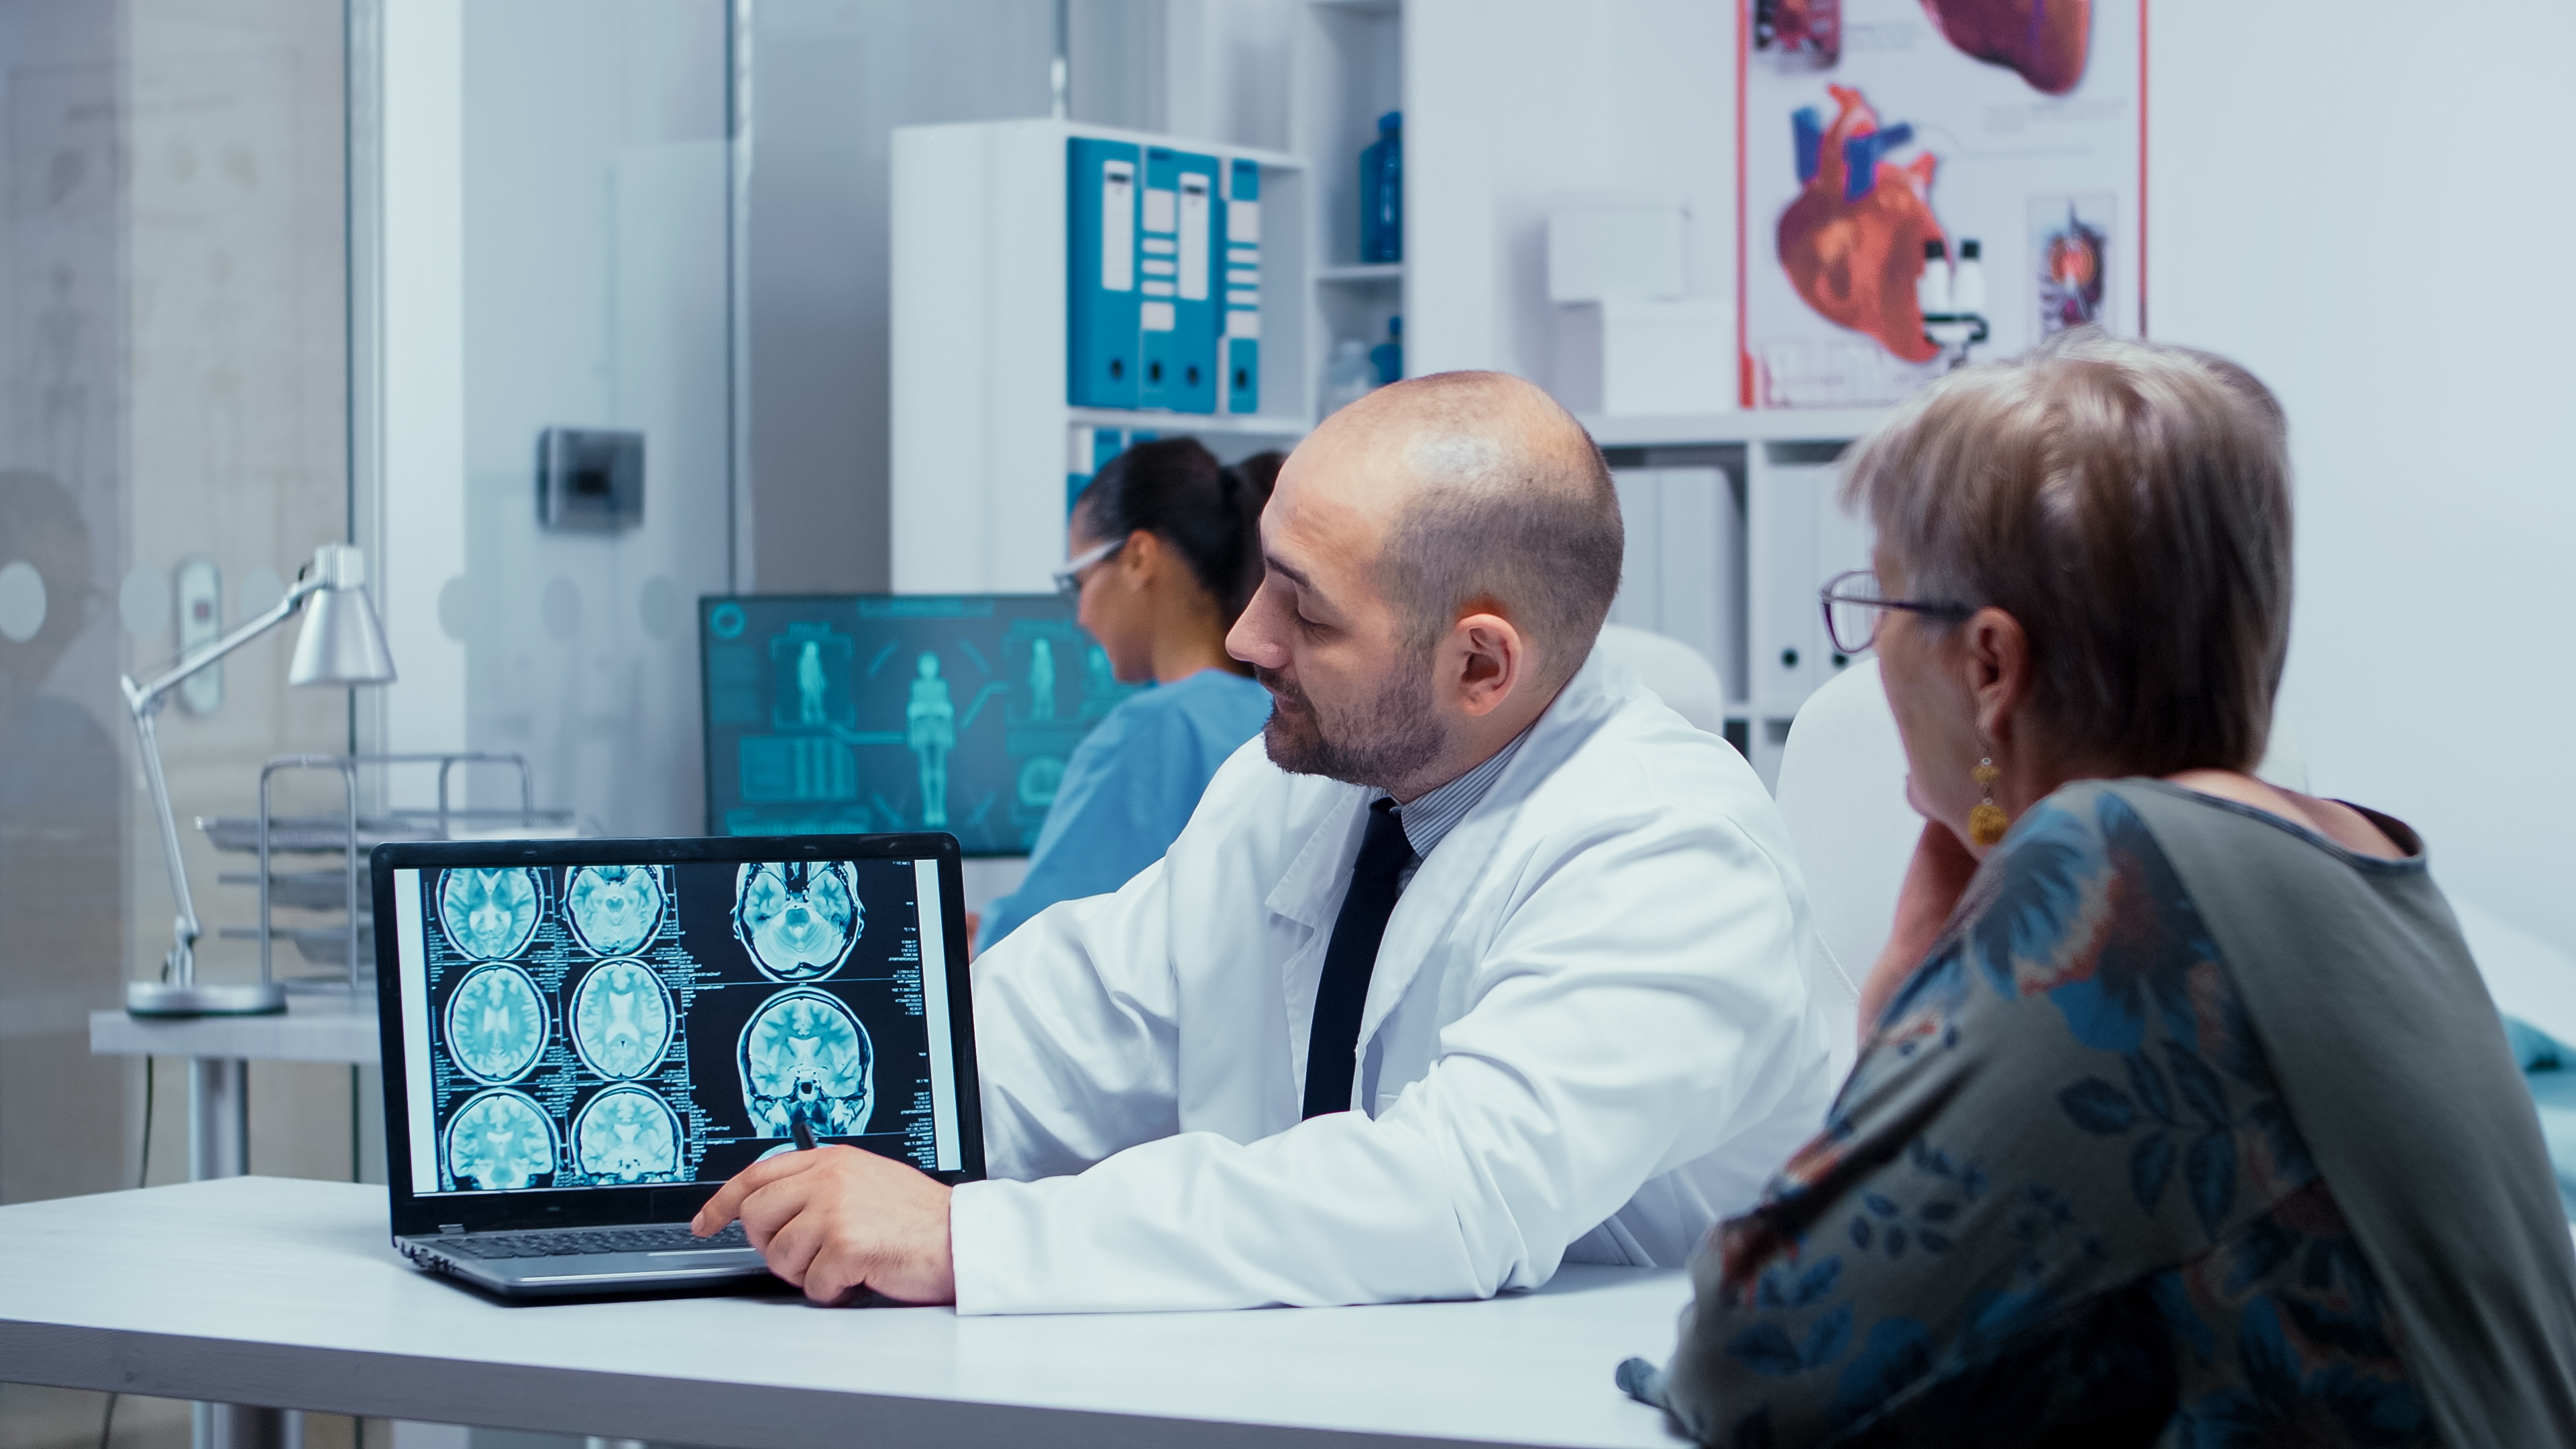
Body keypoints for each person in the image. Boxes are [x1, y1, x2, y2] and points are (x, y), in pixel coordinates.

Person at [695, 371, 1839, 1313]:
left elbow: (1447, 1195)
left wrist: (967, 1240)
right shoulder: (1300, 786)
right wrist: (755, 1124)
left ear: (1481, 664)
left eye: (1308, 610)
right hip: (1318, 1385)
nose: (1246, 638)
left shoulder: (1675, 852)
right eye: (1262, 581)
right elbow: (1074, 1021)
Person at [1621, 331, 2576, 1445]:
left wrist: (1900, 1011)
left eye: (1882, 605)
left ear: (1990, 665)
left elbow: (1757, 1360)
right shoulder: (2349, 853)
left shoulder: (2124, 868)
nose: (1869, 653)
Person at [975, 440, 1278, 950]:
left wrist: (985, 936)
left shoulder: (1152, 733)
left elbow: (1035, 949)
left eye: (1080, 582)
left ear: (1139, 557)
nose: (1080, 616)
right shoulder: (1283, 715)